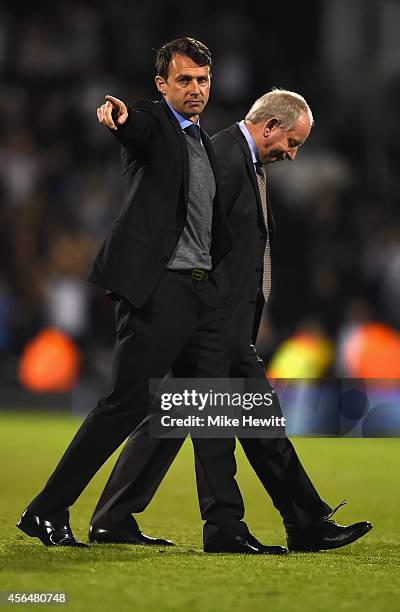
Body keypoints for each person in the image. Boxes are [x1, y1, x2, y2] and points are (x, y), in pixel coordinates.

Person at [17, 37, 286, 555]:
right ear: (162, 85)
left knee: (209, 410)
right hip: (158, 292)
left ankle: (224, 526)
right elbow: (133, 126)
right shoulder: (154, 124)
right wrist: (119, 117)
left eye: (203, 80)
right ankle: (46, 508)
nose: (195, 90)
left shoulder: (204, 142)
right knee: (125, 404)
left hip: (202, 295)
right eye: (184, 80)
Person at [89, 89, 372, 553]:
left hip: (225, 318)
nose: (293, 154)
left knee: (176, 412)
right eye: (293, 142)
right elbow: (189, 235)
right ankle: (294, 522)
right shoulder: (218, 155)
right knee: (259, 421)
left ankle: (113, 517)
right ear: (270, 126)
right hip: (215, 320)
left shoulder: (243, 160)